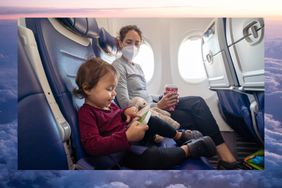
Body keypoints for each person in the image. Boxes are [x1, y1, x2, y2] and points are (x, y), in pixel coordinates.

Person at [112, 25, 248, 170]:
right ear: (120, 43)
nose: (133, 47)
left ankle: (222, 156)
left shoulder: (137, 66)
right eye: (128, 42)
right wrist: (158, 106)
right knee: (193, 115)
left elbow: (143, 93)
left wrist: (161, 98)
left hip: (152, 105)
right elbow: (125, 104)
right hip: (144, 114)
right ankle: (224, 158)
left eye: (137, 43)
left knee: (197, 101)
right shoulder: (118, 66)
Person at [73, 57, 217, 170]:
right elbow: (93, 145)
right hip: (121, 153)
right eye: (110, 89)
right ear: (87, 89)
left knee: (151, 120)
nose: (114, 94)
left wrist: (125, 113)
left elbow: (117, 116)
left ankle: (180, 136)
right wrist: (126, 137)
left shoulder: (108, 104)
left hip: (132, 136)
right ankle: (189, 149)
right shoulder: (86, 114)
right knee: (153, 158)